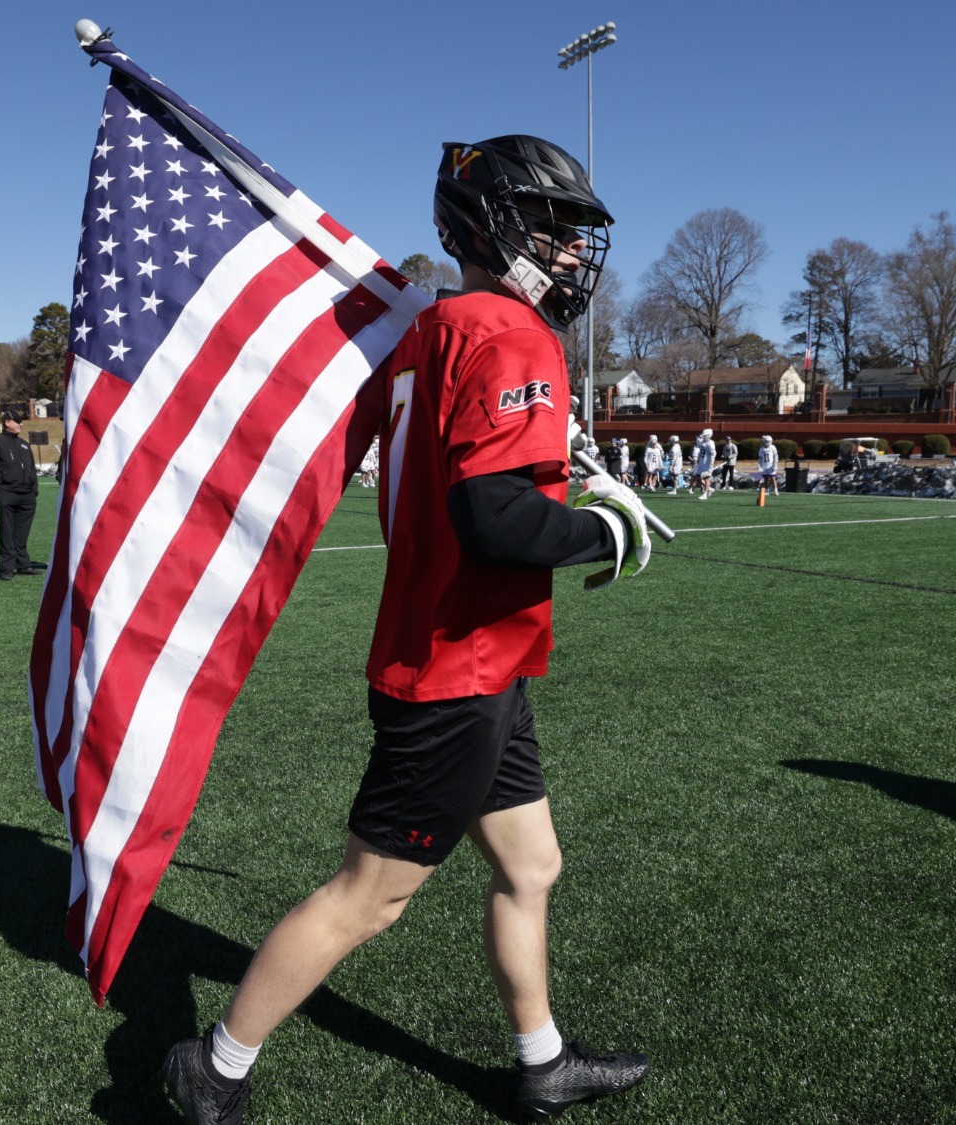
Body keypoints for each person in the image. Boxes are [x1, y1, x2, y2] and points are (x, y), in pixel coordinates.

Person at [164, 133, 651, 1125]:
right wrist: (604, 529)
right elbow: (494, 519)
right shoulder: (509, 333)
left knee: (531, 864)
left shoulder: (429, 328)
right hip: (453, 670)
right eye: (551, 227)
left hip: (471, 656)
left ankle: (542, 1063)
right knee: (368, 896)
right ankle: (214, 1067)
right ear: (491, 226)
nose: (570, 249)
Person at [0, 414, 40, 578]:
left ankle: (23, 564)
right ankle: (7, 568)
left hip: (27, 495)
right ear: (7, 422)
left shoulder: (24, 444)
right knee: (6, 532)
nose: (21, 424)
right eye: (18, 421)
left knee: (22, 532)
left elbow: (31, 468)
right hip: (7, 493)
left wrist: (34, 489)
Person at [691, 428, 716, 499]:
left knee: (706, 479)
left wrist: (710, 465)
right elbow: (697, 447)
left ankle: (705, 494)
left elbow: (713, 455)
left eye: (705, 435)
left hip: (707, 464)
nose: (704, 436)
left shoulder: (711, 444)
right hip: (701, 462)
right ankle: (709, 489)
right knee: (697, 478)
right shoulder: (702, 442)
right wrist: (695, 456)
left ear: (709, 435)